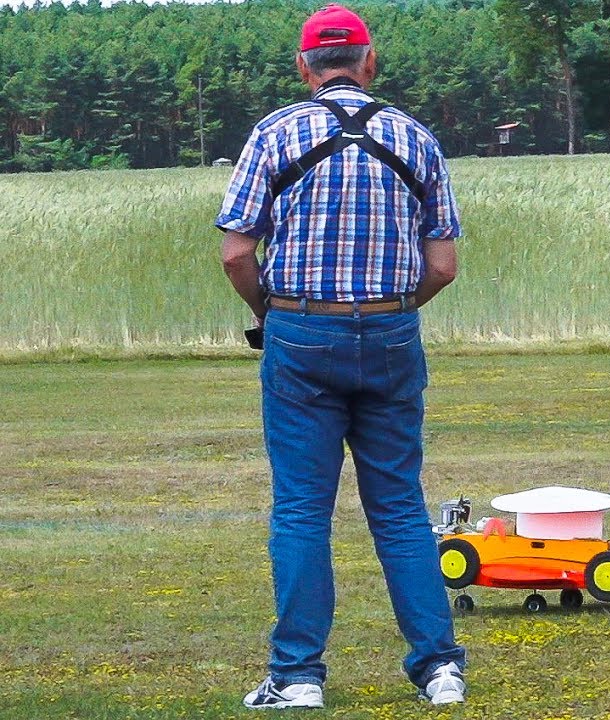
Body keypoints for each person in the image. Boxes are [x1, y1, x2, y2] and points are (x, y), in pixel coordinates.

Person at [216, 4, 466, 708]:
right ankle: (439, 667)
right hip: (390, 334)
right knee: (399, 509)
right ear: (369, 61)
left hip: (299, 332)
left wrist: (272, 313)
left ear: (304, 67)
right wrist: (390, 311)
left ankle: (297, 676)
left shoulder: (274, 133)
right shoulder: (416, 139)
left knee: (301, 509)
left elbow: (237, 251)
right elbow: (442, 266)